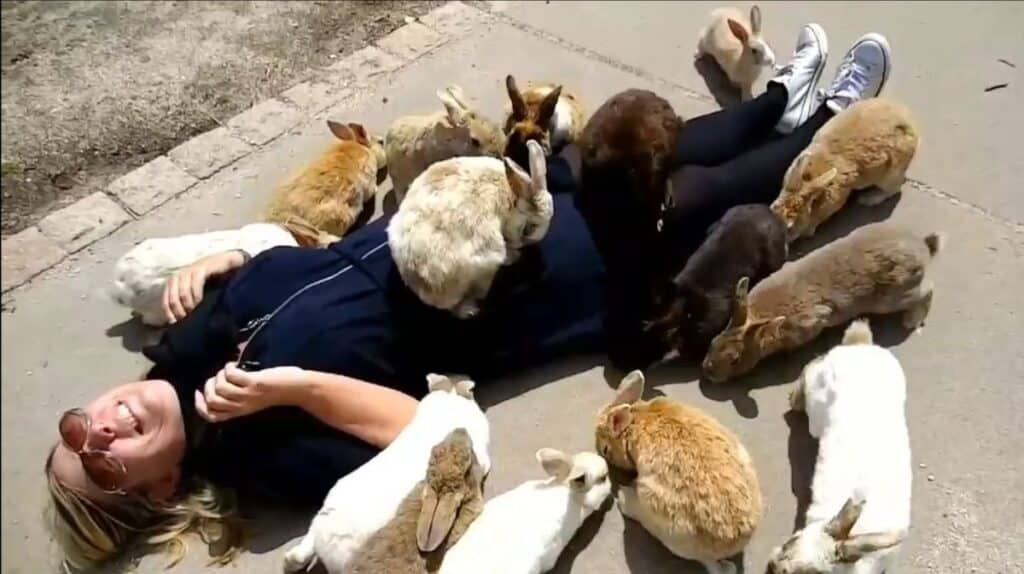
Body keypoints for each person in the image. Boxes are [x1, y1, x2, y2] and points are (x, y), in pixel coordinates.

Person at [45, 24, 891, 570]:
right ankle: (826, 125)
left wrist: (230, 254)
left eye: (77, 427)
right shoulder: (258, 459)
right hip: (509, 291)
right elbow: (422, 430)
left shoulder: (186, 336)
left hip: (462, 209)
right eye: (101, 460)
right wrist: (291, 388)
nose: (104, 427)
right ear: (155, 494)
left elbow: (302, 255)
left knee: (611, 160)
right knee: (684, 198)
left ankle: (781, 98)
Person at [580, 26, 892, 368]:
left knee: (631, 153)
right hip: (602, 253)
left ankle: (780, 99)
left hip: (580, 198)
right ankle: (828, 120)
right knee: (695, 191)